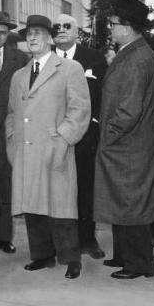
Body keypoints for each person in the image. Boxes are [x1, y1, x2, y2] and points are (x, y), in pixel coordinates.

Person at [6, 14, 90, 279]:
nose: (32, 37)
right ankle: (42, 255)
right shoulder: (19, 75)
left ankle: (71, 259)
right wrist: (11, 140)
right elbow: (10, 112)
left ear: (51, 39)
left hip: (55, 147)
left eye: (38, 33)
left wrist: (64, 137)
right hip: (25, 150)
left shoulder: (69, 68)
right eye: (29, 33)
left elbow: (80, 109)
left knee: (60, 206)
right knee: (33, 205)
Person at [94, 0, 154, 280]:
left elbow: (129, 109)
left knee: (131, 205)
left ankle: (138, 264)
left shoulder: (136, 58)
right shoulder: (134, 52)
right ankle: (123, 255)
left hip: (127, 145)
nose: (110, 28)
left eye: (114, 24)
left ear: (129, 27)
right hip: (127, 145)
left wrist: (109, 133)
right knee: (122, 203)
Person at [53, 13, 107, 259]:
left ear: (77, 32)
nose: (61, 29)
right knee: (58, 189)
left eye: (67, 26)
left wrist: (95, 120)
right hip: (55, 136)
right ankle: (64, 242)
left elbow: (104, 94)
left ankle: (88, 239)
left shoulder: (93, 58)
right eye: (57, 26)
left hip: (86, 136)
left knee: (86, 188)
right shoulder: (46, 59)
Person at [0, 11, 29, 254]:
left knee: (7, 185)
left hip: (9, 130)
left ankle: (4, 236)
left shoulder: (20, 58)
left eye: (3, 32)